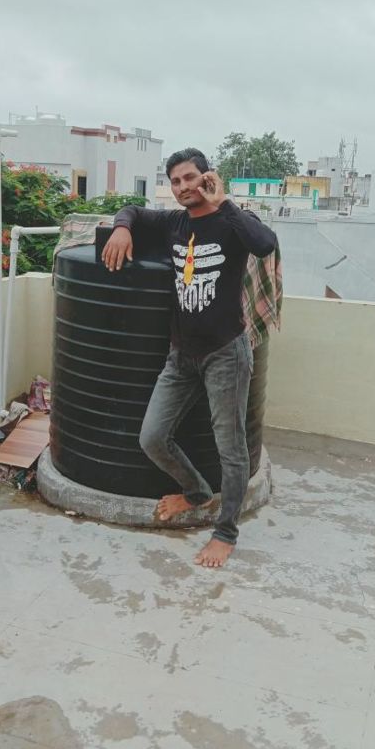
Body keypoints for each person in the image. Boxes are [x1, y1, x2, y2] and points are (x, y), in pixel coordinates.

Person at [102, 148, 277, 568]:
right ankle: (197, 492)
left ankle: (225, 532)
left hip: (226, 355)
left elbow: (265, 244)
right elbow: (132, 211)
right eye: (176, 181)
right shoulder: (175, 223)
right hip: (181, 356)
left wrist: (223, 202)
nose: (183, 187)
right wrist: (122, 228)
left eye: (190, 178)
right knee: (152, 437)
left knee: (231, 449)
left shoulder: (231, 221)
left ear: (207, 177)